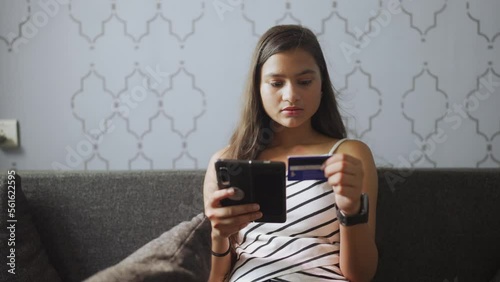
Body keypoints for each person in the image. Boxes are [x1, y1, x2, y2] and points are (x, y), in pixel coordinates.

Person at [203, 24, 378, 282]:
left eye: (304, 82)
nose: (291, 95)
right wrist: (219, 236)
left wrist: (351, 211)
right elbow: (215, 279)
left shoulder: (349, 155)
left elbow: (361, 276)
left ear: (321, 85)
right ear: (258, 88)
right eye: (276, 83)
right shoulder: (228, 161)